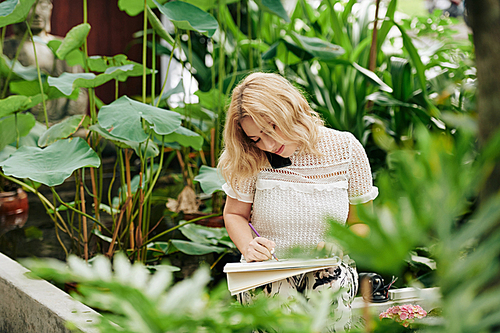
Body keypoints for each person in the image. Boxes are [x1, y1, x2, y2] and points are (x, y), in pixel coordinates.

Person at [218, 72, 378, 331]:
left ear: (290, 110)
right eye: (257, 138)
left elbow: (363, 223)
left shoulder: (346, 149)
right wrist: (248, 247)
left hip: (330, 270)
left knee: (329, 286)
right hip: (269, 271)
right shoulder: (250, 156)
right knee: (276, 295)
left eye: (272, 127)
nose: (269, 144)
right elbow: (234, 214)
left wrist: (339, 243)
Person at [3, 0, 87, 124]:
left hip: (63, 126)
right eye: (30, 7)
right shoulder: (4, 48)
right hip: (20, 127)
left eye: (42, 6)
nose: (37, 13)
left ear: (50, 8)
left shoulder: (64, 47)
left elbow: (79, 92)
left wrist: (66, 125)